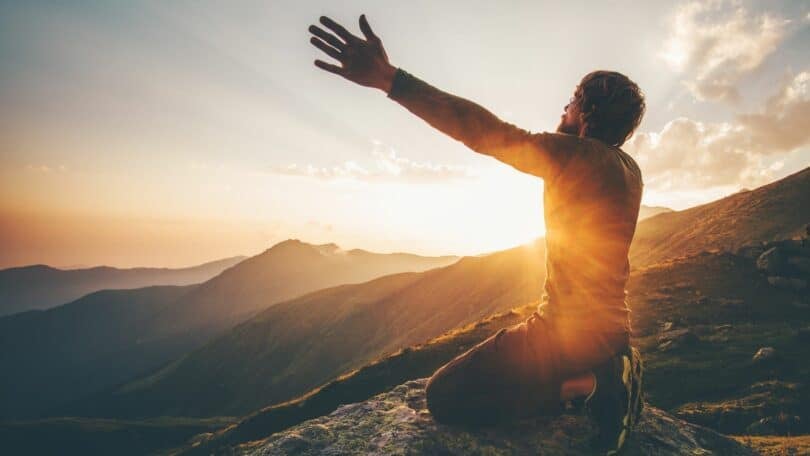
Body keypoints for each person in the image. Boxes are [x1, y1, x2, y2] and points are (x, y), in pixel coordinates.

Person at [309, 14, 646, 454]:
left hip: (563, 334)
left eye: (570, 102)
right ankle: (598, 375)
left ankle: (594, 385)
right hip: (609, 332)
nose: (561, 110)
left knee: (443, 397)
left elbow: (485, 133)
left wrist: (391, 80)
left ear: (588, 112)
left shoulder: (576, 156)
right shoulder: (629, 170)